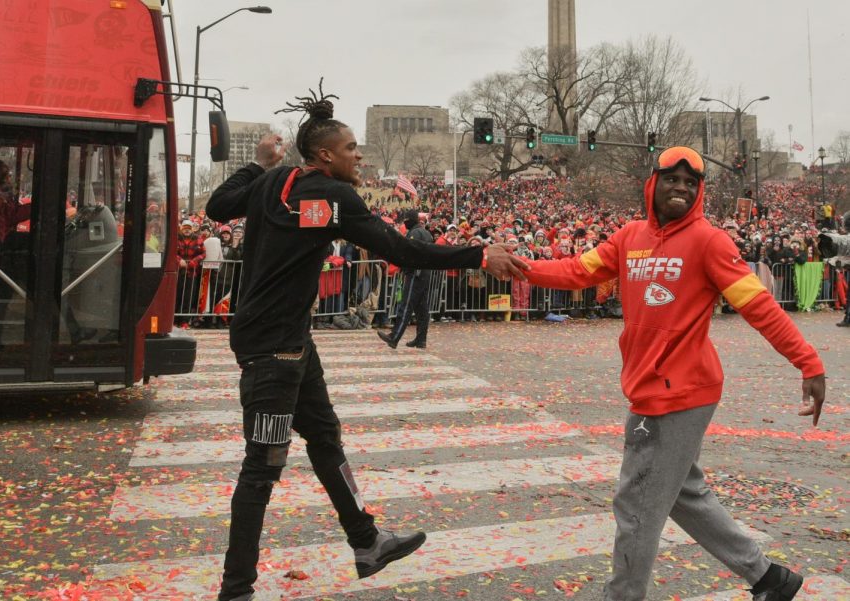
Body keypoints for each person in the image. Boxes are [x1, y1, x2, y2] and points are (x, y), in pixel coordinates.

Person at [205, 82, 527, 601]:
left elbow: (220, 204)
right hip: (273, 351)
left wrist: (262, 165)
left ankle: (367, 541)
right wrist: (477, 255)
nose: (361, 155)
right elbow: (402, 250)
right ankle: (236, 590)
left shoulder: (275, 182)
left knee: (325, 438)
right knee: (261, 468)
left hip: (288, 342)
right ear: (327, 155)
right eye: (353, 147)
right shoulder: (335, 194)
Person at [518, 146, 826, 601]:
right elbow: (573, 271)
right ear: (653, 183)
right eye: (672, 179)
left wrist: (809, 362)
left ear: (699, 191)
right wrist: (515, 265)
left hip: (682, 392)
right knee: (683, 492)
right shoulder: (628, 238)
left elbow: (759, 306)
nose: (681, 188)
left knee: (637, 506)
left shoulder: (710, 242)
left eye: (691, 182)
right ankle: (768, 579)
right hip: (651, 387)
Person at [377, 209, 433, 348]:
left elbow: (410, 252)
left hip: (415, 272)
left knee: (406, 305)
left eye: (405, 220)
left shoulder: (414, 233)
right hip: (425, 273)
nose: (404, 223)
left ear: (409, 220)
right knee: (422, 308)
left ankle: (394, 337)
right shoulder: (426, 233)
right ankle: (421, 339)